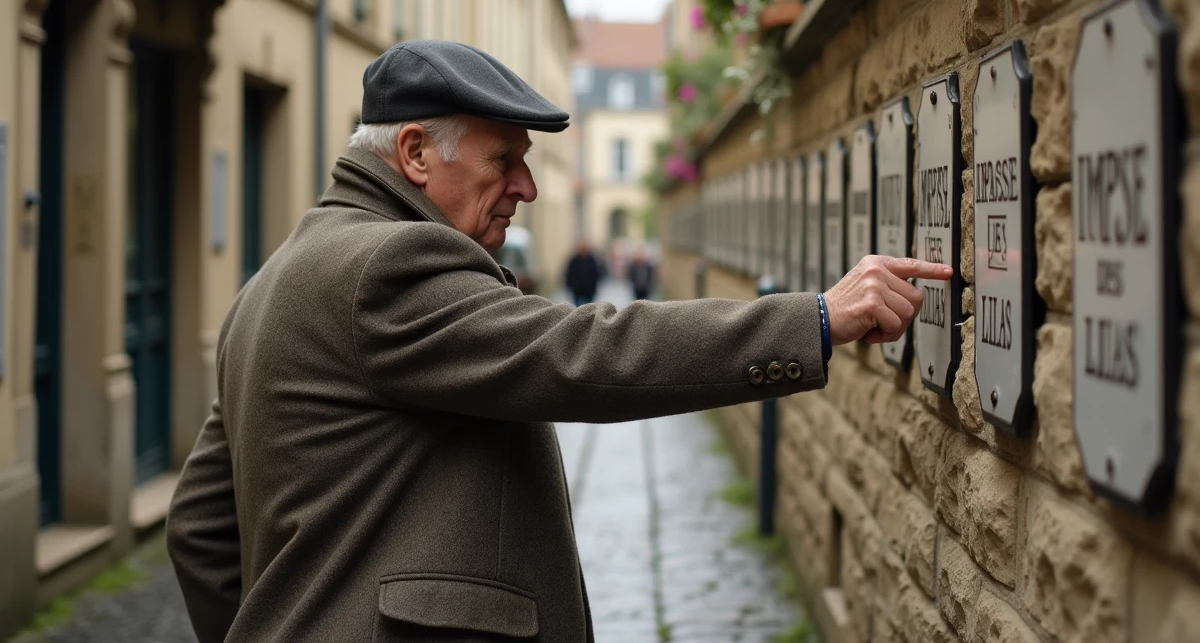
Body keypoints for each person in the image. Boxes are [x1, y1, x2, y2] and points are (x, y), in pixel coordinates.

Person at [166, 39, 951, 643]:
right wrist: (812, 319)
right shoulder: (390, 263)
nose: (527, 187)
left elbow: (199, 529)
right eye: (503, 160)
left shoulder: (272, 282)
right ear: (412, 154)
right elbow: (581, 353)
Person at [564, 239, 603, 305]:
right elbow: (569, 273)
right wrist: (569, 285)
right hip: (577, 291)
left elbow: (597, 273)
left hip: (589, 291)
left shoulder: (592, 260)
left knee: (589, 308)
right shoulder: (574, 260)